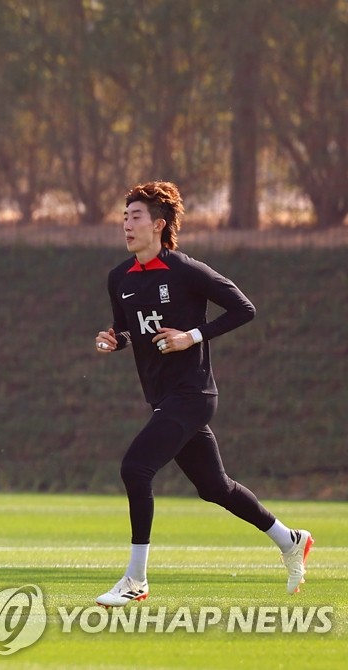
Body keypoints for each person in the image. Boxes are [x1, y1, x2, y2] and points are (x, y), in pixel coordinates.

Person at [92, 181, 312, 606]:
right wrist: (113, 341)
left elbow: (243, 308)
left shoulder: (186, 270)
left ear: (159, 225)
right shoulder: (118, 277)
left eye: (135, 216)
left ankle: (136, 579)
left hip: (193, 394)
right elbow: (129, 330)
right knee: (215, 487)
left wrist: (192, 337)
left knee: (136, 468)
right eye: (124, 217)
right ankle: (290, 539)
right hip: (163, 396)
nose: (127, 224)